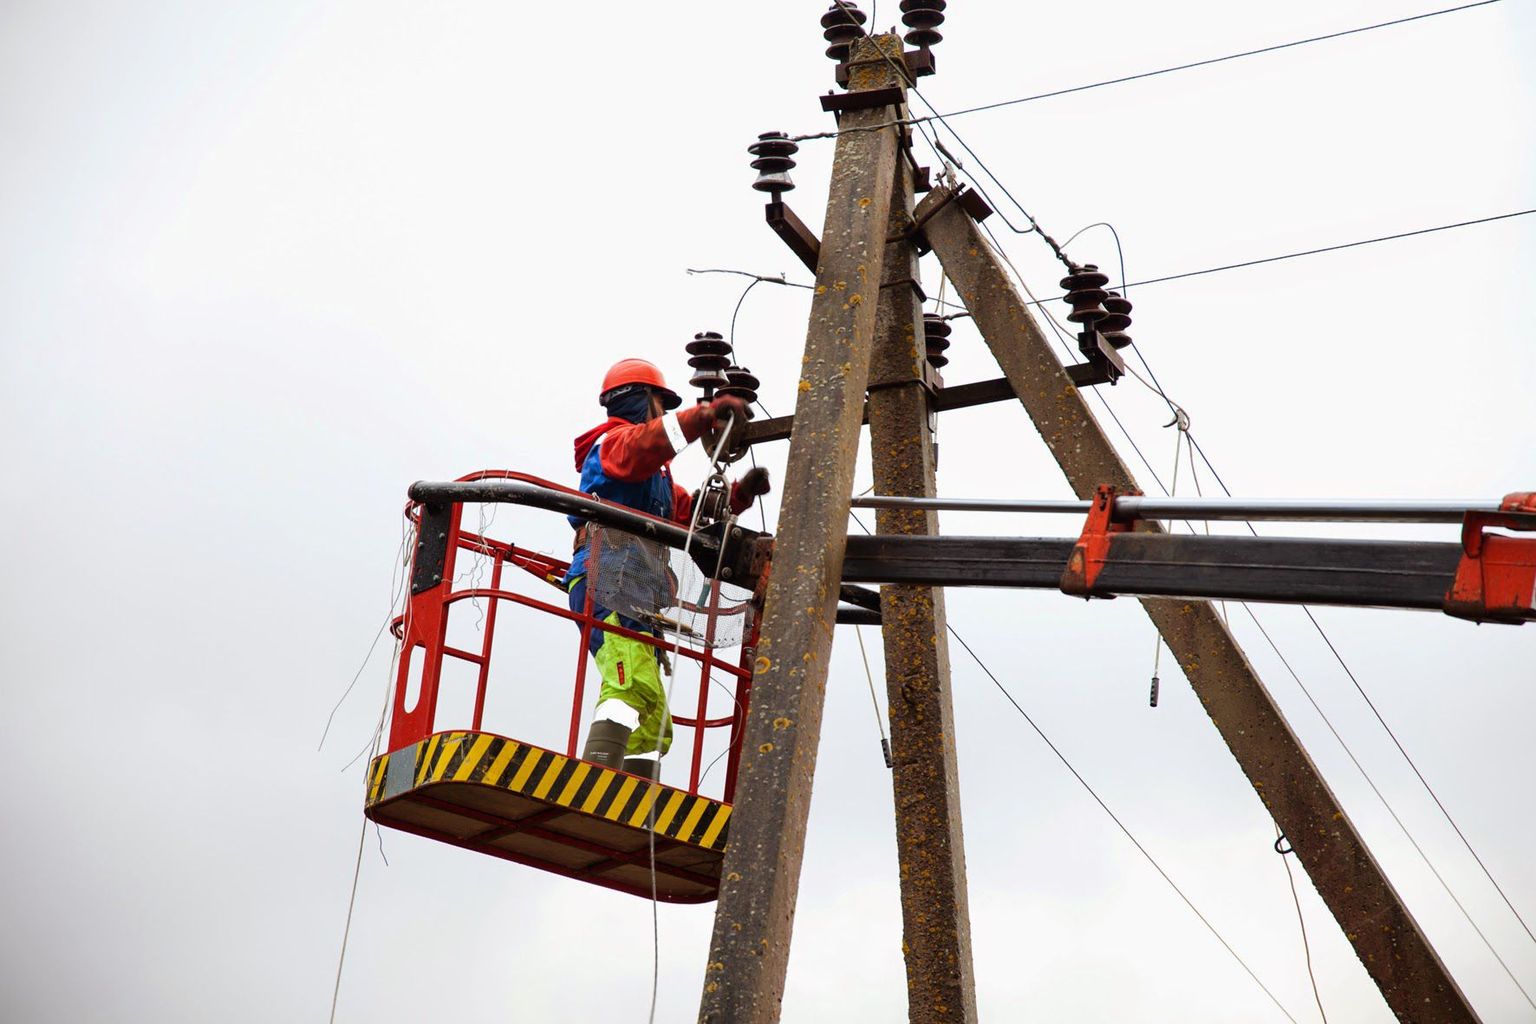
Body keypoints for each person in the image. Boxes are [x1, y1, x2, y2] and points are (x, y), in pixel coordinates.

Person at [564, 358, 771, 779]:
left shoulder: (652, 479)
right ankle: (595, 781)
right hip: (609, 580)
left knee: (656, 720)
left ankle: (639, 795)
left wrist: (737, 497)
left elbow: (689, 511)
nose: (663, 409)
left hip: (638, 592)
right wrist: (702, 417)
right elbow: (646, 445)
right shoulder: (613, 446)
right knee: (629, 683)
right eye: (659, 401)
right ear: (639, 400)